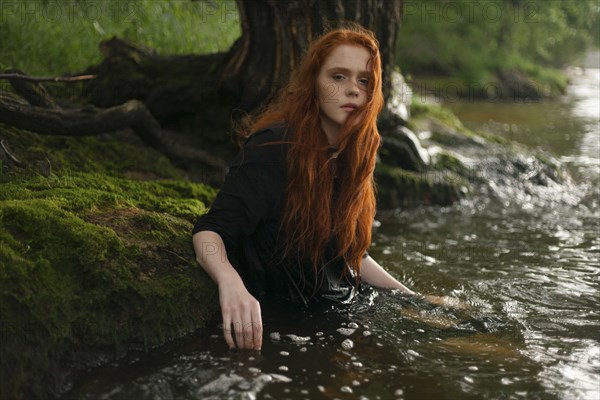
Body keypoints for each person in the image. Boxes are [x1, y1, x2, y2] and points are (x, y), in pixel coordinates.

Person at [192, 25, 418, 351]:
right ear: (314, 83)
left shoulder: (354, 156)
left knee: (456, 331)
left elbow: (349, 254)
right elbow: (209, 231)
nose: (352, 90)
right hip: (288, 323)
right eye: (338, 77)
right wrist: (230, 283)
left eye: (364, 80)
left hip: (338, 309)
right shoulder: (273, 147)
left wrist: (414, 301)